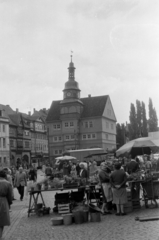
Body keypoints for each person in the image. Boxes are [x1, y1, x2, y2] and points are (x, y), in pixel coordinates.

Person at [0, 170, 12, 239]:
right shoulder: (7, 183)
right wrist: (9, 203)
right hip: (3, 201)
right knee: (2, 219)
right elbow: (10, 196)